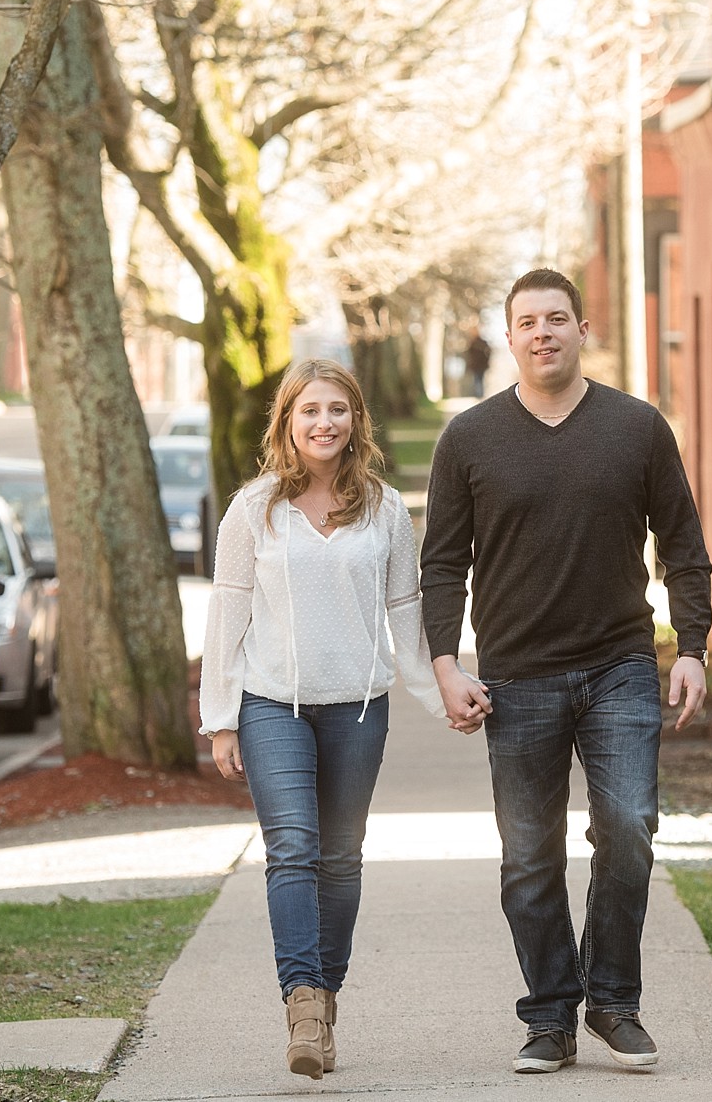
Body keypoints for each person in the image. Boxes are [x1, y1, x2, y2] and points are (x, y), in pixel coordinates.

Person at [421, 269, 712, 1074]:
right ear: (509, 337)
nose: (542, 332)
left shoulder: (638, 427)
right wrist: (446, 665)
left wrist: (692, 648)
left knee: (628, 828)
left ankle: (613, 1002)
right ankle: (549, 1014)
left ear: (583, 329)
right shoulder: (470, 439)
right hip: (515, 676)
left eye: (557, 319)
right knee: (528, 853)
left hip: (619, 662)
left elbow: (683, 546)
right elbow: (442, 564)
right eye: (527, 322)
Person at [202, 361, 445, 1081]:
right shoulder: (253, 510)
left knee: (340, 859)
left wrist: (438, 693)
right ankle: (302, 1005)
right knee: (294, 848)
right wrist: (221, 720)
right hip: (271, 705)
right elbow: (227, 614)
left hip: (358, 710)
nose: (324, 423)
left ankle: (324, 999)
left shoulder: (386, 511)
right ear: (287, 421)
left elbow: (406, 615)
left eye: (337, 410)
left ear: (355, 421)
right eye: (310, 411)